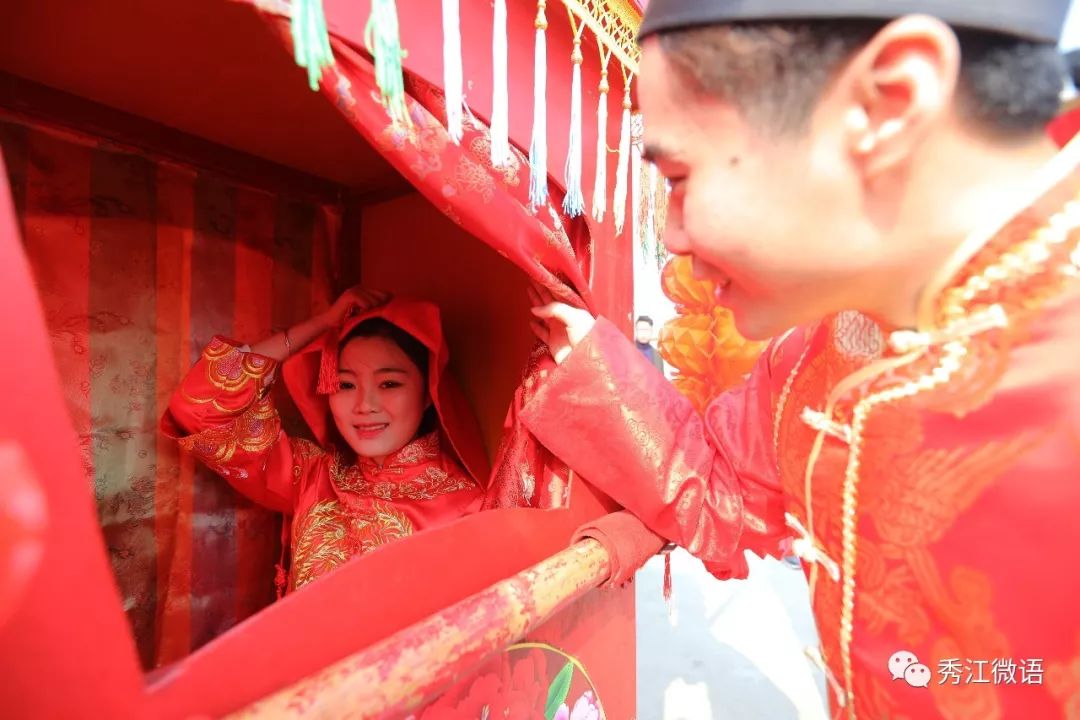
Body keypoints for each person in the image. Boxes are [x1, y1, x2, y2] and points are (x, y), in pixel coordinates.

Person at [525, 2, 1080, 718]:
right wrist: (589, 365)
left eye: (680, 177)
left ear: (886, 105)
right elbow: (723, 488)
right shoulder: (823, 349)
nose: (675, 235)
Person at [162, 288, 489, 592]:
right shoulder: (312, 477)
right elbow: (199, 408)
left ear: (428, 393)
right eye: (345, 385)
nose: (364, 406)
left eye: (389, 384)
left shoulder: (468, 510)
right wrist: (323, 324)